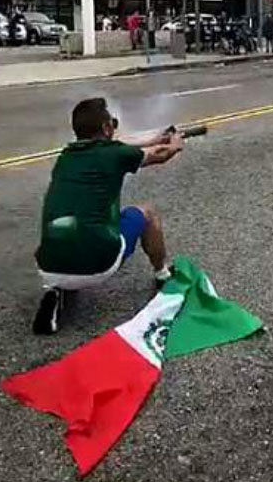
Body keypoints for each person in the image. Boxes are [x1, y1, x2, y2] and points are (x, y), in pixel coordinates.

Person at [32, 98, 185, 334]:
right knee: (147, 213)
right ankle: (163, 275)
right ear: (106, 128)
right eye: (112, 123)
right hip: (99, 264)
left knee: (68, 233)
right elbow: (162, 154)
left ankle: (55, 291)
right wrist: (175, 143)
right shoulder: (114, 155)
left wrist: (154, 138)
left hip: (48, 266)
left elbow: (119, 146)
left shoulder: (65, 157)